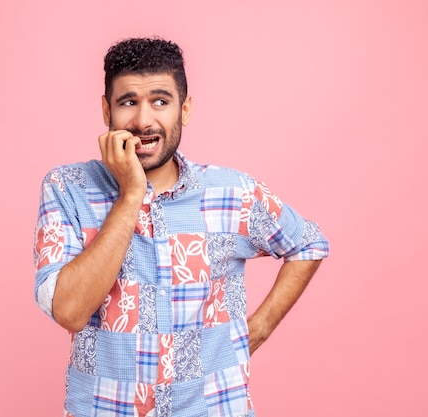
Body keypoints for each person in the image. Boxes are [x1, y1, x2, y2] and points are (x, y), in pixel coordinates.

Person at [33, 37, 329, 417]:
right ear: (106, 109)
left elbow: (308, 244)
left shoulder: (233, 192)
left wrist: (259, 328)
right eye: (128, 102)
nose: (143, 121)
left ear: (184, 109)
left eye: (160, 100)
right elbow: (70, 311)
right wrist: (130, 195)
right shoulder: (67, 189)